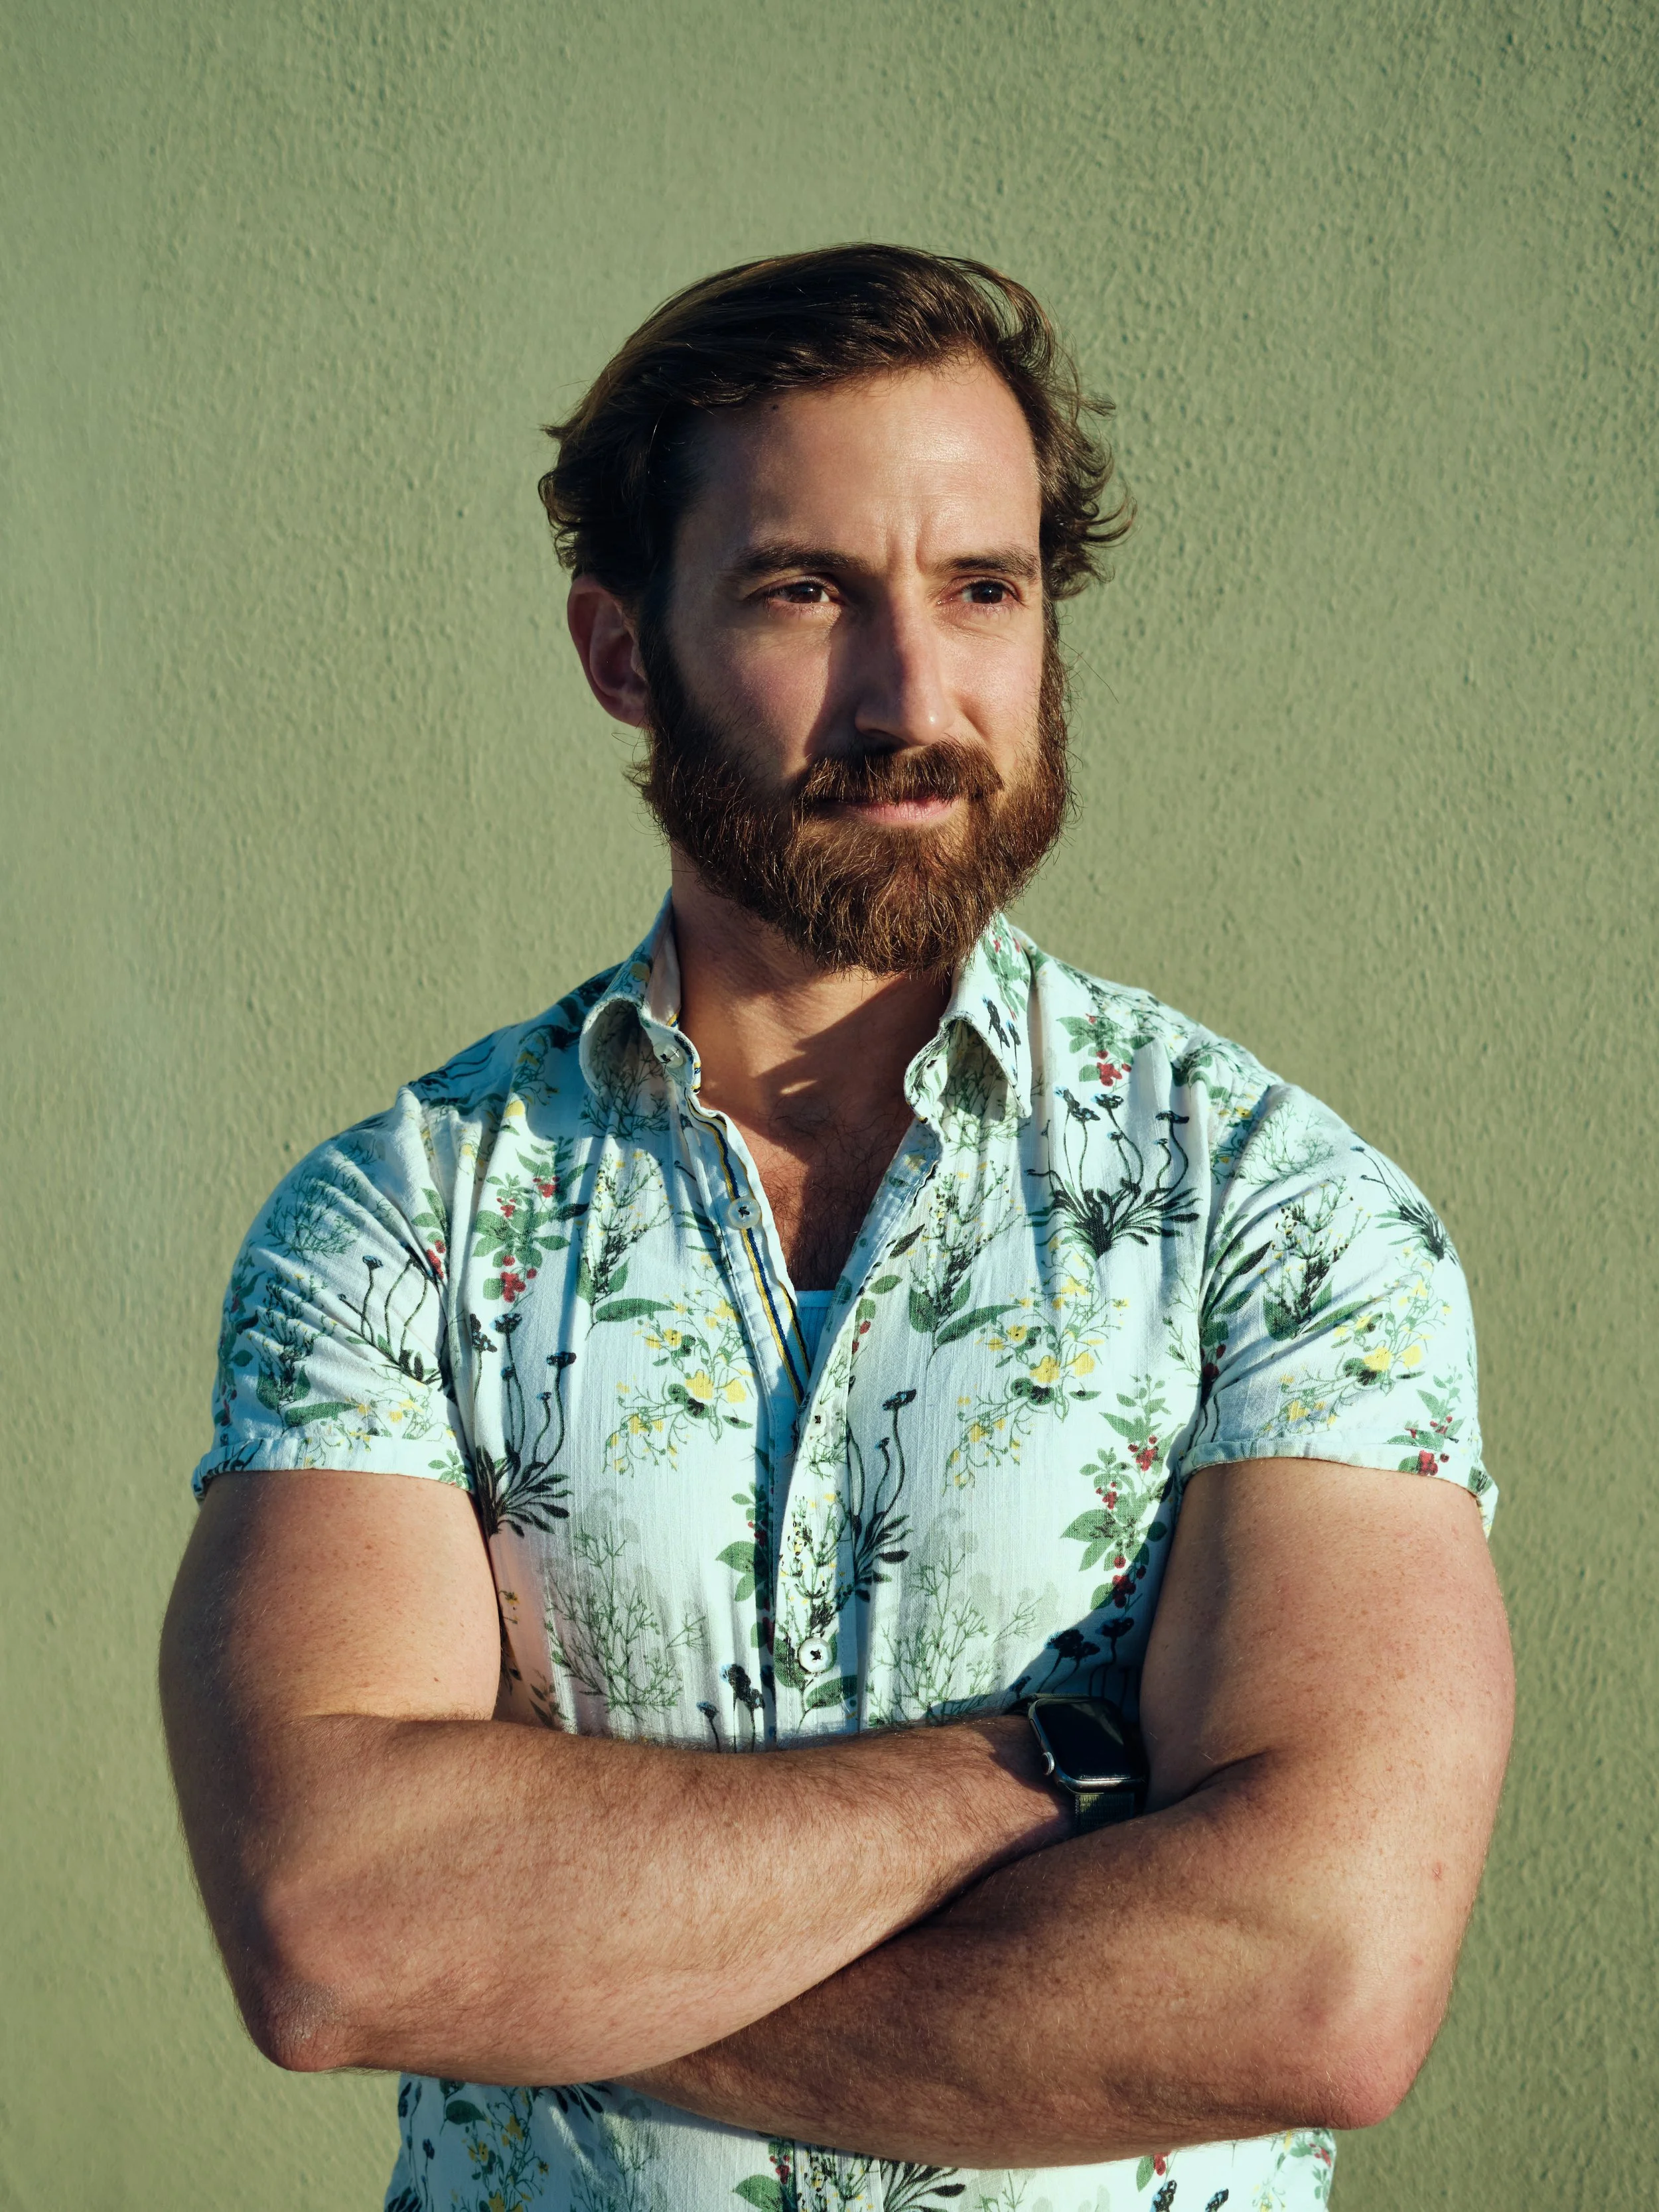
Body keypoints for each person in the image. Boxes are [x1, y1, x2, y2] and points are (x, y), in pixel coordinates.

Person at [160, 245, 1513, 2212]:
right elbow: (334, 1926)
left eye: (983, 587)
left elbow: (1315, 1986)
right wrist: (1054, 1763)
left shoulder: (1277, 1216)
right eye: (805, 590)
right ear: (624, 652)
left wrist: (534, 1958)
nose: (915, 694)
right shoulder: (403, 1223)